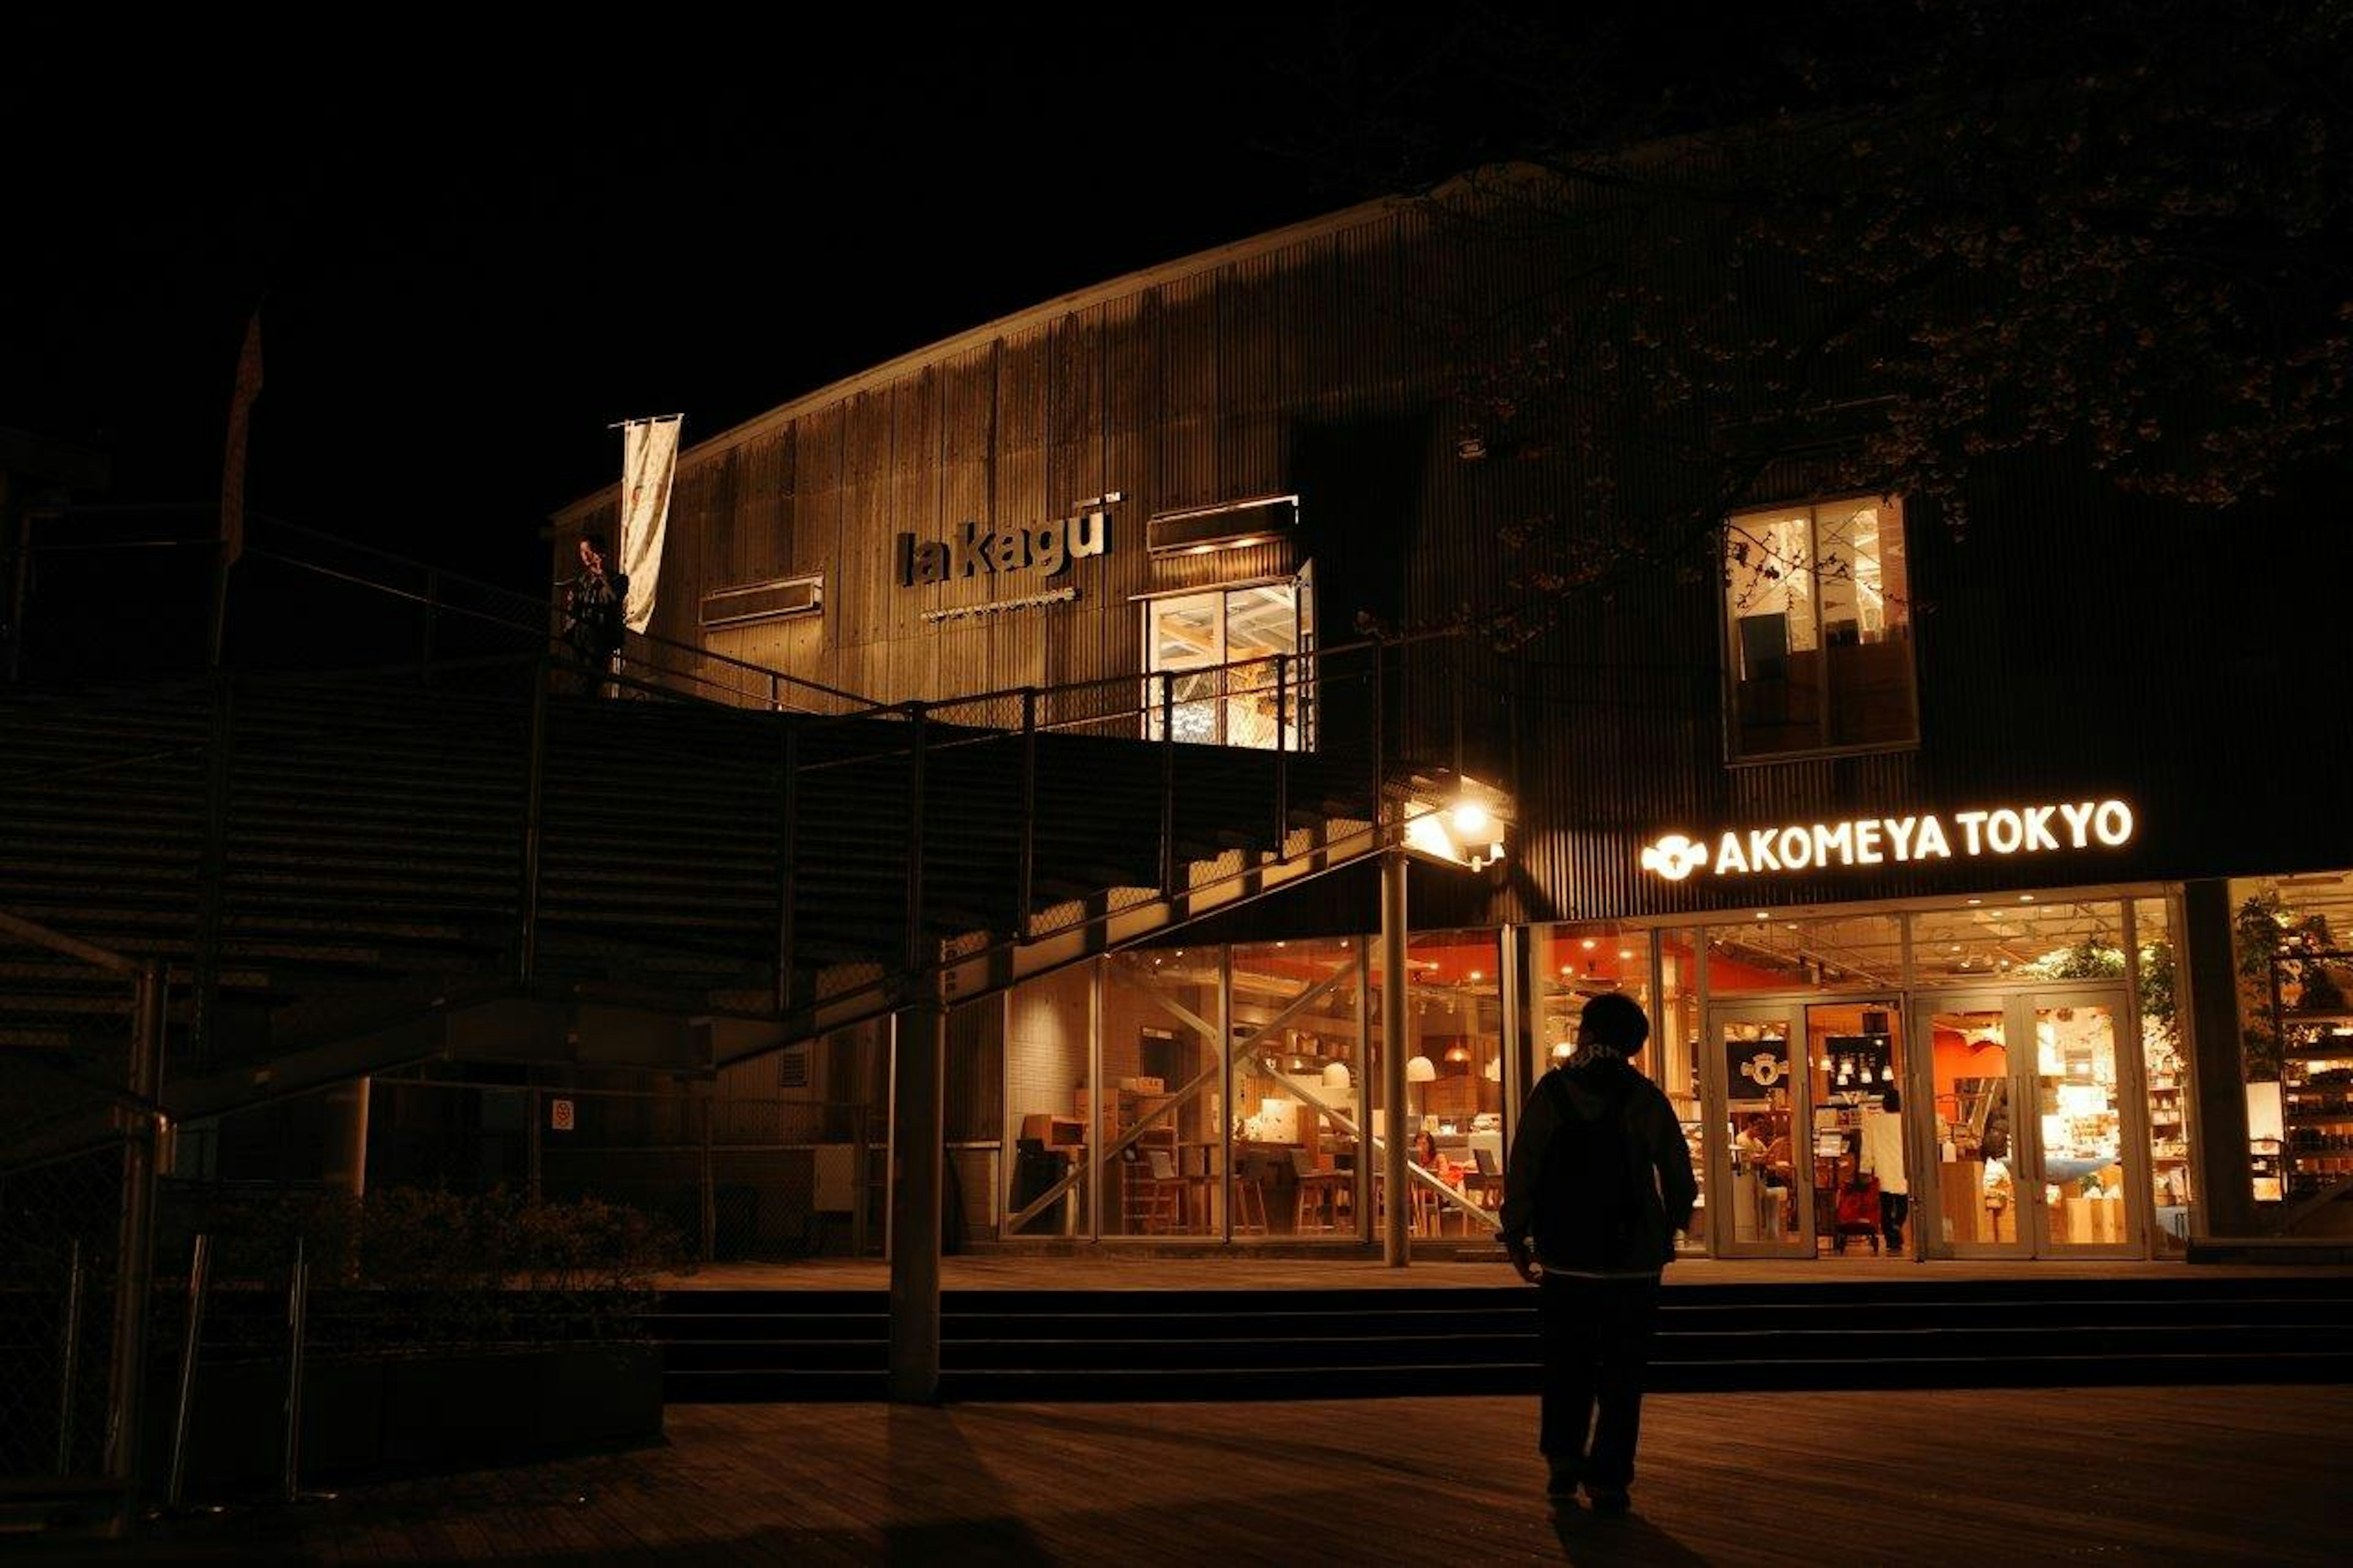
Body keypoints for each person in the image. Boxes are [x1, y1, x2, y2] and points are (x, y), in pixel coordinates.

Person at [1500, 992, 1697, 1516]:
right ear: (1634, 1043)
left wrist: (1516, 1232)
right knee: (1623, 1372)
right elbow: (1678, 1173)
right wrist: (1670, 1228)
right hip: (1634, 1261)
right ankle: (1610, 1477)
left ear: (1588, 1033)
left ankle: (1564, 1457)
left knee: (1567, 1362)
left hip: (1566, 1255)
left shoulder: (1553, 1092)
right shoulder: (1644, 1096)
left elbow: (1525, 1164)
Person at [562, 532, 629, 695]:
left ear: (598, 551)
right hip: (581, 633)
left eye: (588, 551)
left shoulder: (618, 578)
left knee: (593, 677)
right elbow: (575, 606)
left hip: (601, 635)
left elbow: (614, 598)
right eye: (582, 551)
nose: (584, 556)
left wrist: (602, 575)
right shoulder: (583, 580)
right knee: (578, 674)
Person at [1857, 1086, 1909, 1252]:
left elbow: (1868, 1148)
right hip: (1904, 1170)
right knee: (1903, 1204)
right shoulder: (1907, 1122)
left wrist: (1865, 1169)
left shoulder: (1874, 1122)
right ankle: (1897, 1227)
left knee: (1886, 1207)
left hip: (1883, 1170)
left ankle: (1891, 1240)